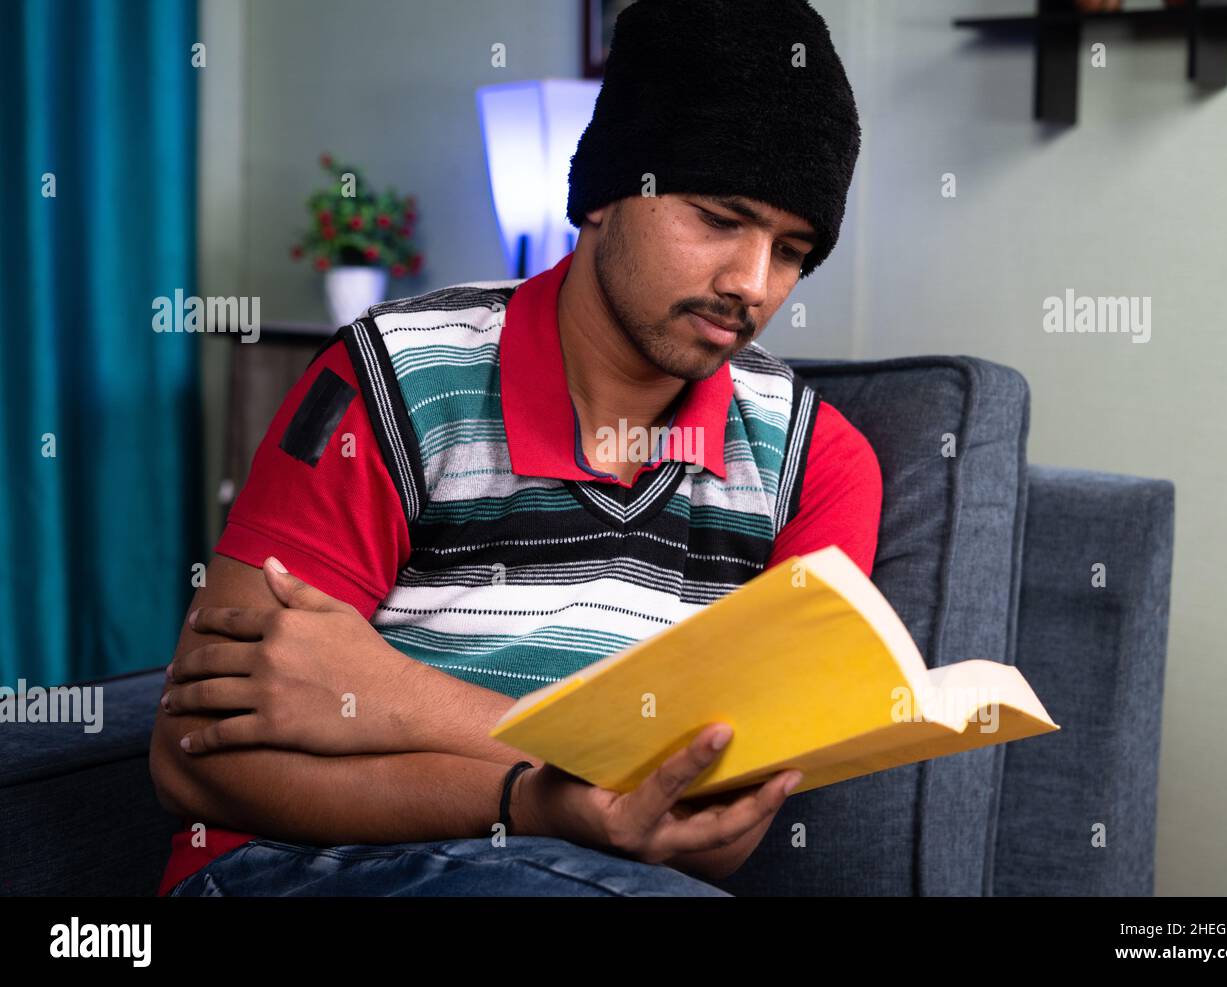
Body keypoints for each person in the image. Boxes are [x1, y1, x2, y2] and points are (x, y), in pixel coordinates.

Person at [150, 0, 881, 897]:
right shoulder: (390, 376)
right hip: (296, 866)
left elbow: (716, 834)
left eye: (792, 249)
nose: (751, 283)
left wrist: (400, 699)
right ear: (608, 192)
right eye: (720, 218)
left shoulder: (819, 461)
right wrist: (540, 797)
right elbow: (191, 759)